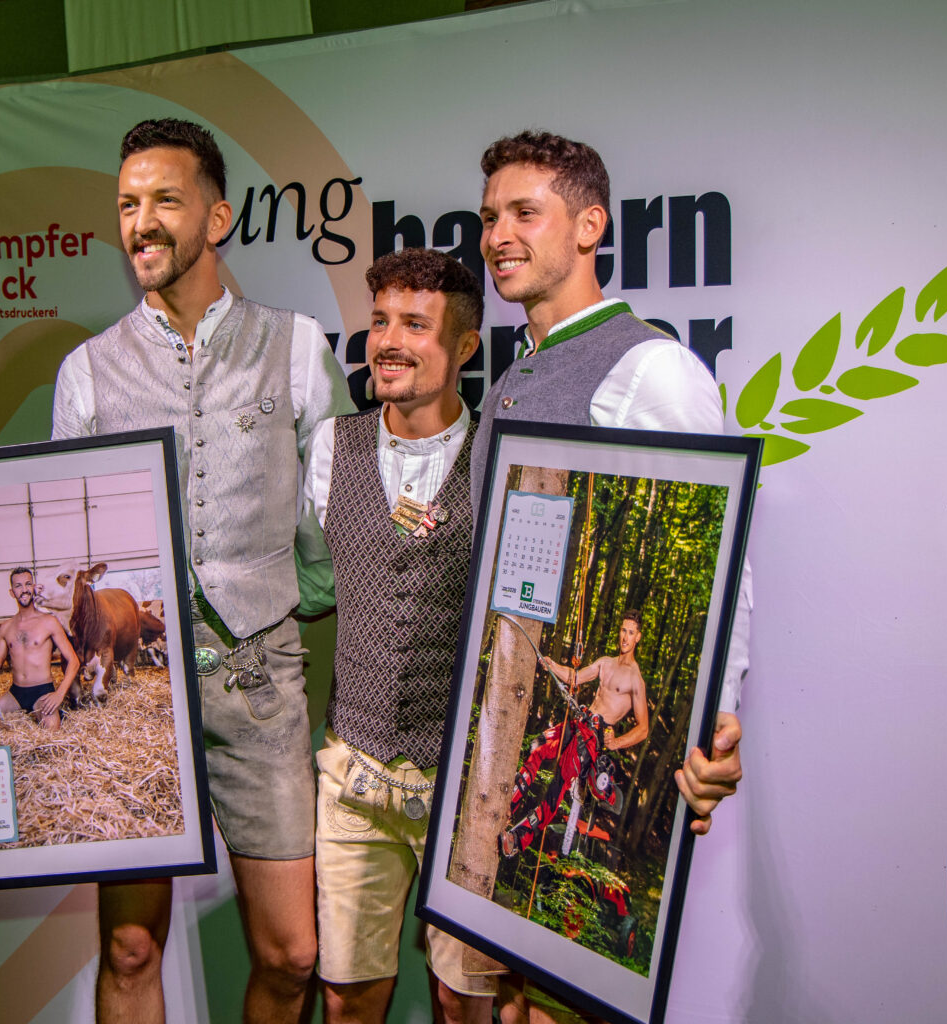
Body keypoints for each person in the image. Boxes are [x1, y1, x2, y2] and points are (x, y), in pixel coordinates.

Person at [0, 118, 352, 1024]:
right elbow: (47, 554)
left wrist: (288, 602)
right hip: (147, 703)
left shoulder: (295, 348)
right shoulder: (87, 372)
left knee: (292, 955)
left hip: (260, 684)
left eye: (165, 199)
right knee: (130, 946)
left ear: (217, 218)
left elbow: (333, 520)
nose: (141, 222)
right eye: (127, 205)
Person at [468, 131, 751, 1024]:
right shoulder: (515, 375)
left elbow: (725, 556)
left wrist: (711, 723)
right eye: (489, 217)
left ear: (590, 225)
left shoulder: (650, 367)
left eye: (525, 212)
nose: (498, 236)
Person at [298, 248, 492, 1024]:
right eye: (380, 321)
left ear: (464, 346)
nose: (387, 341)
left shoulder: (500, 455)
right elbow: (309, 579)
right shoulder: (330, 447)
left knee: (463, 999)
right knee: (347, 997)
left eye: (415, 324)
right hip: (354, 777)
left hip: (466, 786)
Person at [502, 609, 648, 856]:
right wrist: (553, 665)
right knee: (538, 746)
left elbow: (643, 729)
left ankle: (516, 840)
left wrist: (616, 743)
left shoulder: (636, 680)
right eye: (623, 630)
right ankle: (509, 804)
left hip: (592, 740)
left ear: (638, 638)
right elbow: (575, 677)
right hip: (578, 723)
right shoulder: (606, 662)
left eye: (631, 633)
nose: (625, 637)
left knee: (557, 786)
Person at [0, 567, 81, 730]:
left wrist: (59, 694)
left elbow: (74, 661)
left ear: (34, 587)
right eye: (18, 586)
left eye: (28, 584)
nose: (24, 590)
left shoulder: (49, 622)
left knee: (52, 726)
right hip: (16, 693)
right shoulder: (6, 627)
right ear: (12, 593)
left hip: (42, 692)